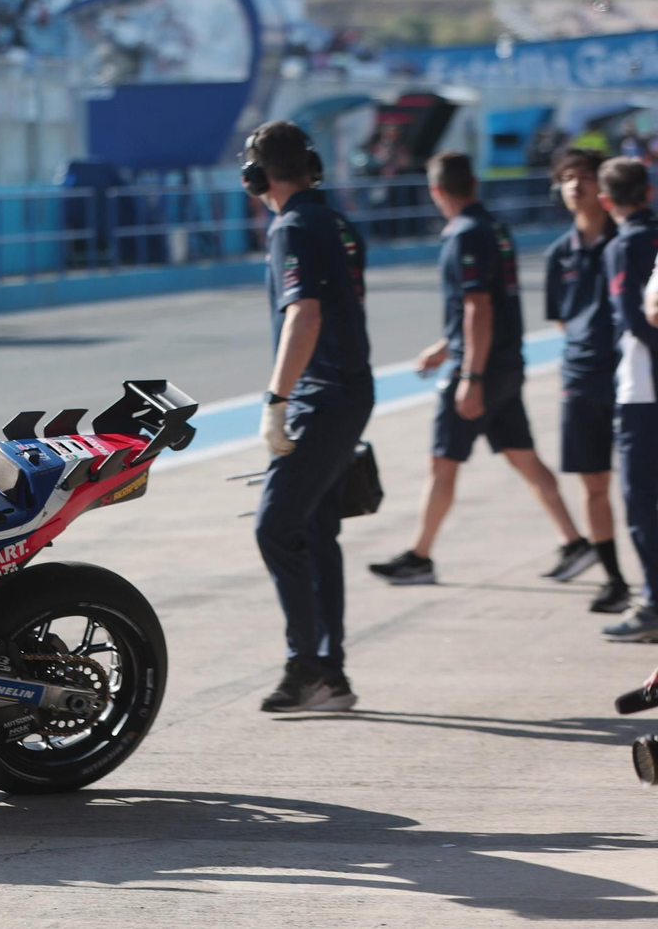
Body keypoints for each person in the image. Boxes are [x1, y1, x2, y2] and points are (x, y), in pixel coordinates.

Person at [369, 152, 586, 585]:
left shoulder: (464, 234)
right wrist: (445, 346)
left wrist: (470, 375)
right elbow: (486, 308)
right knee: (523, 456)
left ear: (436, 191)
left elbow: (478, 307)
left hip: (482, 369)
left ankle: (420, 556)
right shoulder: (494, 228)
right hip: (504, 362)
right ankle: (575, 542)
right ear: (474, 183)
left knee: (442, 461)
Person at [241, 122, 375, 713]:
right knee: (316, 530)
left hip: (323, 395)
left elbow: (306, 315)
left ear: (256, 177)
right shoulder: (337, 222)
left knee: (275, 527)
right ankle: (330, 674)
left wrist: (276, 399)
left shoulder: (292, 226)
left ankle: (307, 668)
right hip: (344, 388)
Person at [543, 148, 629, 612]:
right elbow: (562, 319)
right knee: (593, 484)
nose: (575, 185)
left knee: (643, 489)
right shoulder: (559, 253)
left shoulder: (634, 239)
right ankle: (615, 580)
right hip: (580, 380)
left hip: (631, 379)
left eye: (585, 176)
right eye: (567, 178)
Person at [597, 158, 658, 642]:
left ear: (605, 201)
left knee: (641, 502)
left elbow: (636, 321)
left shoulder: (624, 245)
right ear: (649, 193)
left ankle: (654, 604)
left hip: (643, 390)